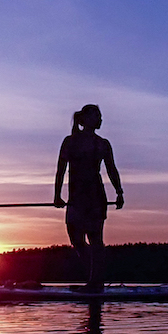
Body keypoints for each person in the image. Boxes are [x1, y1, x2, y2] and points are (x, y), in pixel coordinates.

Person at [54, 104, 123, 292]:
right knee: (75, 238)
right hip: (76, 197)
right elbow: (61, 169)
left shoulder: (103, 144)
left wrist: (119, 192)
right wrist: (57, 194)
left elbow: (111, 169)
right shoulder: (70, 142)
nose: (100, 119)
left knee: (95, 239)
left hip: (95, 196)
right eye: (97, 116)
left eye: (100, 116)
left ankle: (95, 282)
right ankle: (94, 277)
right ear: (85, 119)